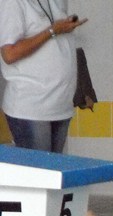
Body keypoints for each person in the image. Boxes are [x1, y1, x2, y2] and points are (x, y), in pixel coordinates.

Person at [0, 0, 88, 152]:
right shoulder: (12, 3)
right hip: (31, 107)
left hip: (60, 104)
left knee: (54, 167)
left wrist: (62, 28)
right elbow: (9, 54)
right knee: (37, 167)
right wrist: (52, 31)